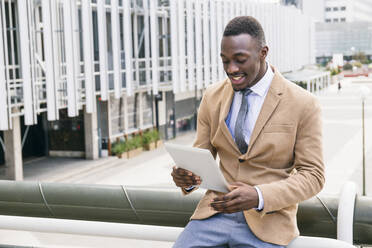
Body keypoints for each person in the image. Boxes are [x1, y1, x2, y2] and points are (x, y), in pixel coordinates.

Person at [171, 16, 324, 248]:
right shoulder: (212, 96)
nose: (231, 69)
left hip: (268, 224)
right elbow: (200, 158)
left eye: (240, 60)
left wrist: (259, 195)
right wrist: (187, 178)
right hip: (213, 215)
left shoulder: (303, 103)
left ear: (263, 52)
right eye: (225, 61)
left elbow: (313, 175)